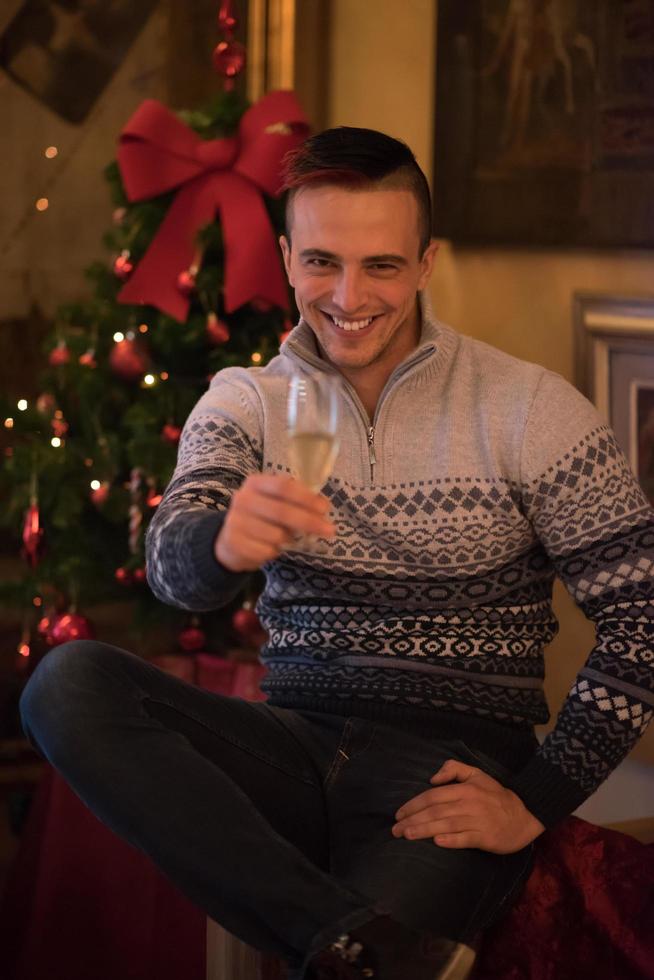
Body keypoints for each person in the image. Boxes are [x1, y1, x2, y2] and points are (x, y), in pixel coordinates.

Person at [20, 127, 654, 980]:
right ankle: (358, 943)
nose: (348, 296)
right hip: (288, 744)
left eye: (381, 266)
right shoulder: (245, 401)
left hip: (444, 771)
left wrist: (534, 802)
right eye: (321, 262)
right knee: (65, 684)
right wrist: (221, 541)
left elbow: (642, 613)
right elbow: (174, 571)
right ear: (285, 258)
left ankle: (347, 944)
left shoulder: (529, 409)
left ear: (425, 262)